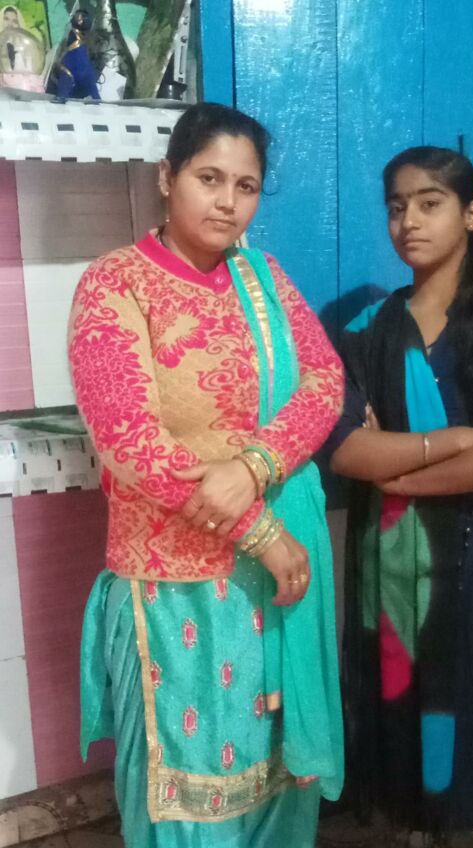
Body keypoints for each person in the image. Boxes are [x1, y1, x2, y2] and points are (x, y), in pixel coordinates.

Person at [68, 102, 344, 848]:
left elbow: (324, 381)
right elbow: (129, 441)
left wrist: (257, 465)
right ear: (167, 178)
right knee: (187, 807)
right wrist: (260, 531)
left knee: (275, 791)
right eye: (208, 178)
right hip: (176, 590)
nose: (227, 201)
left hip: (272, 590)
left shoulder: (265, 280)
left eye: (245, 186)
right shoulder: (115, 284)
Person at [328, 146, 473, 847]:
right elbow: (346, 449)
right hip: (390, 569)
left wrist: (401, 476)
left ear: (471, 214)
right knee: (404, 742)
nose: (409, 222)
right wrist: (458, 440)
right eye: (397, 207)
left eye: (430, 204)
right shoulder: (367, 330)